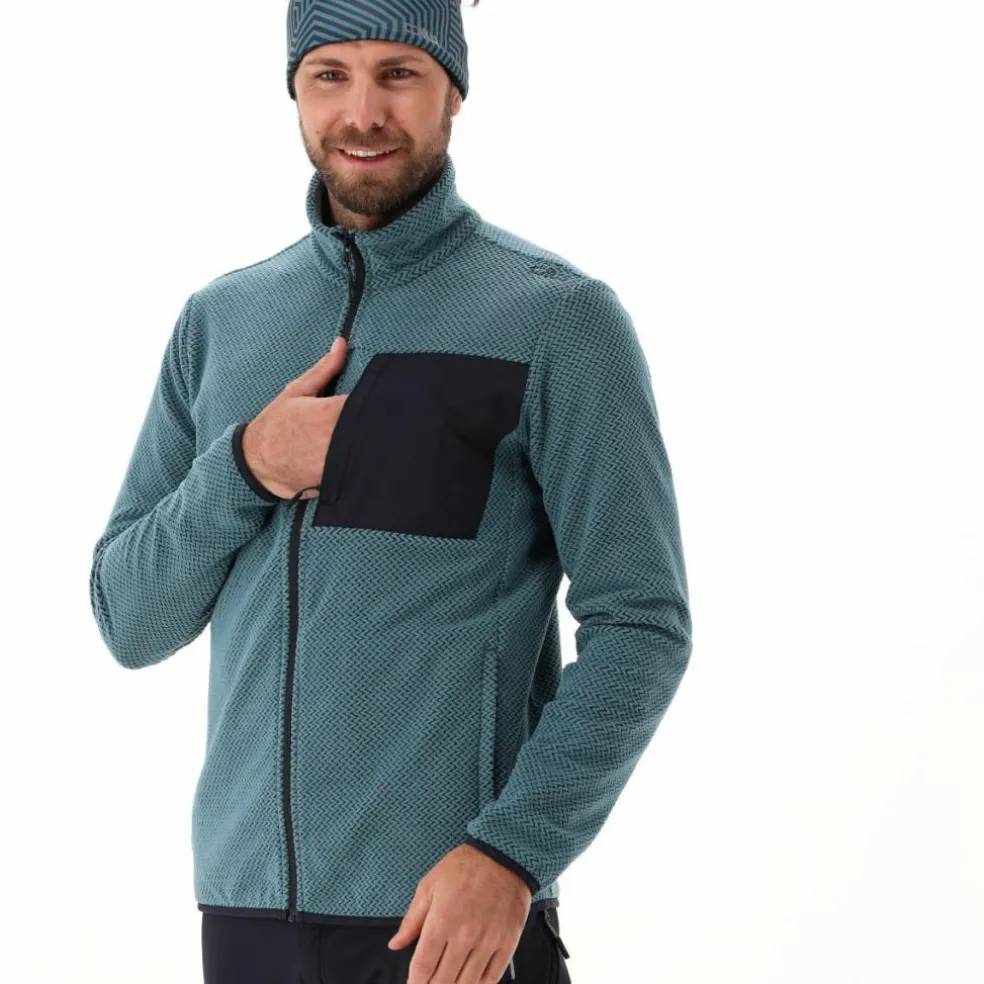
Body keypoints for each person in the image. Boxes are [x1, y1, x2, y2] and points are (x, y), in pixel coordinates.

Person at [88, 1, 693, 982]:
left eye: (399, 74)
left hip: (446, 923)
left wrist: (511, 853)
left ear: (454, 90)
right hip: (245, 918)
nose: (362, 112)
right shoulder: (220, 320)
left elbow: (642, 623)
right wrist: (248, 466)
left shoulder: (556, 319)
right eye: (330, 75)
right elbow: (129, 618)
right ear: (294, 91)